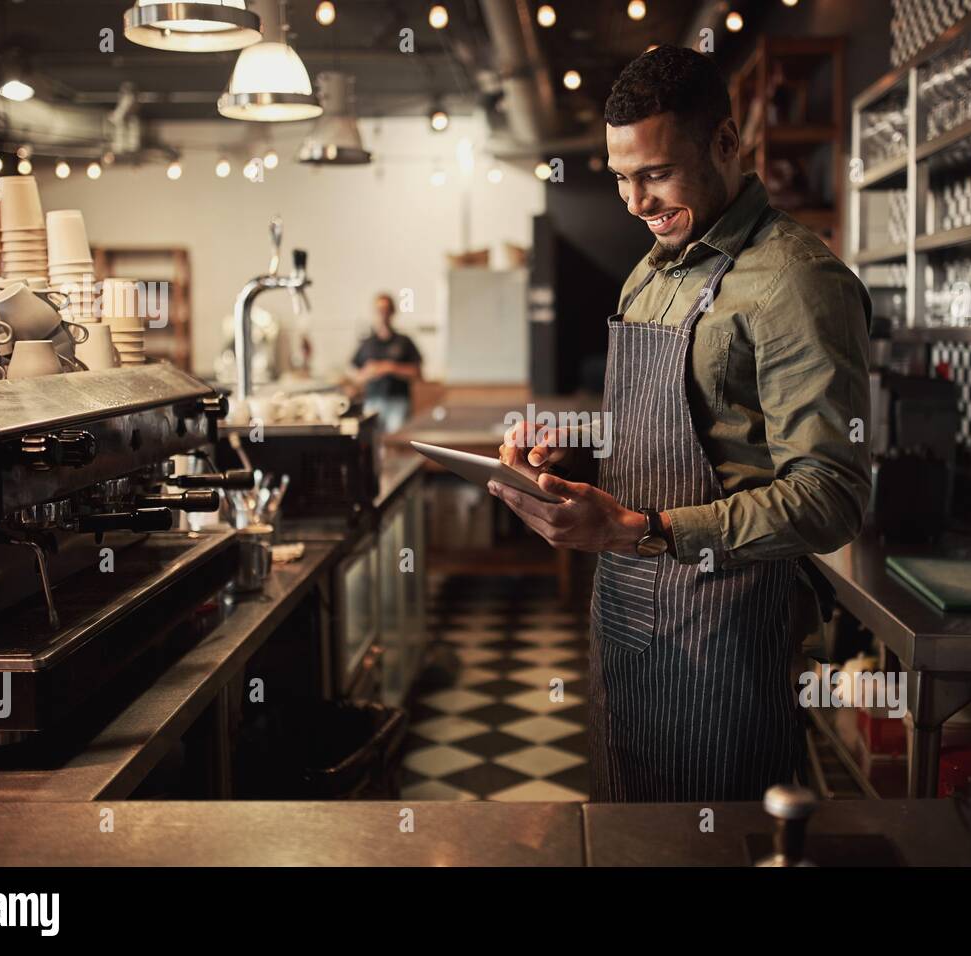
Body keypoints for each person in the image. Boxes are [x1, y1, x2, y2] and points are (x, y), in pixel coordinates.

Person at [489, 45, 871, 802]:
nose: (635, 201)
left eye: (655, 173)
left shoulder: (796, 281)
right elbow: (675, 429)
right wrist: (582, 453)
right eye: (620, 177)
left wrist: (645, 530)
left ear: (727, 145)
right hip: (627, 621)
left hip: (722, 638)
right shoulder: (652, 270)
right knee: (629, 834)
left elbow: (833, 496)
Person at [351, 292, 422, 434]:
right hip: (372, 402)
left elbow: (417, 372)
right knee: (372, 443)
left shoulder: (404, 342)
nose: (383, 314)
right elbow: (355, 376)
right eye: (379, 310)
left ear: (392, 312)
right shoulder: (367, 344)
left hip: (398, 402)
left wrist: (390, 368)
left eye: (386, 310)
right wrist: (369, 372)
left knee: (394, 442)